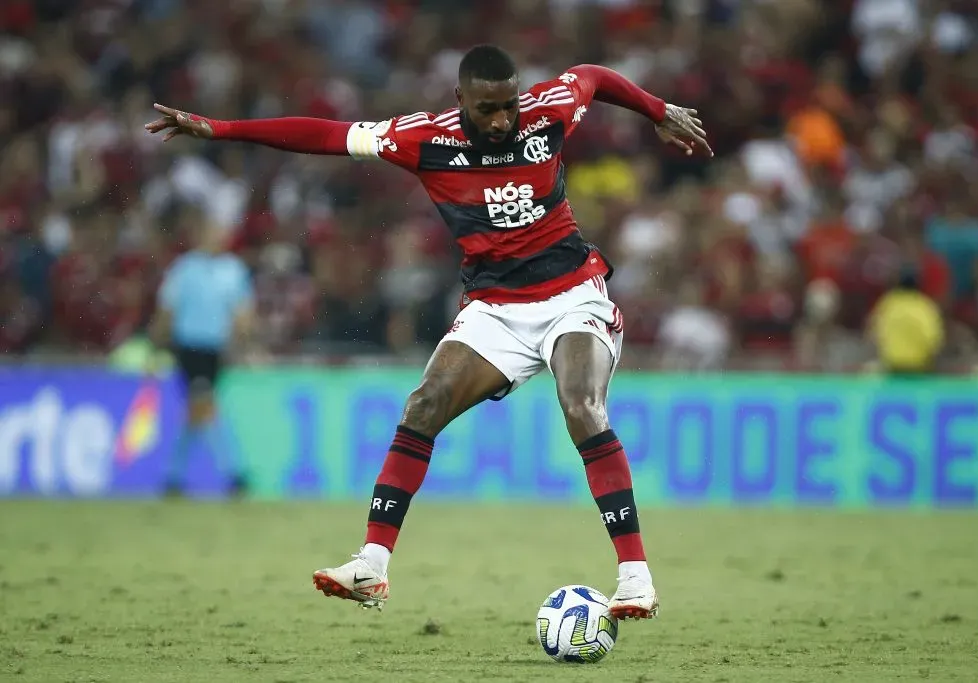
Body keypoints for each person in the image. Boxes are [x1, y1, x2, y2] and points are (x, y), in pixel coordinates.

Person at [146, 44, 711, 620]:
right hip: (495, 309)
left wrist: (657, 109)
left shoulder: (548, 110)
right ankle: (371, 564)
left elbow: (591, 76)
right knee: (423, 405)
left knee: (581, 405)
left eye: (509, 106)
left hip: (572, 295)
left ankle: (635, 579)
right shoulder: (424, 139)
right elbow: (325, 135)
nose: (502, 120)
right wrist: (219, 129)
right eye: (488, 108)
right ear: (460, 99)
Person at [149, 219, 257, 497]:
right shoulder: (185, 268)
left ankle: (173, 476)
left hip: (215, 349)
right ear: (199, 235)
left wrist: (242, 343)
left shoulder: (233, 269)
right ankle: (234, 473)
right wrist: (158, 341)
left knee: (195, 411)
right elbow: (168, 308)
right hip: (190, 347)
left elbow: (242, 313)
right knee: (204, 405)